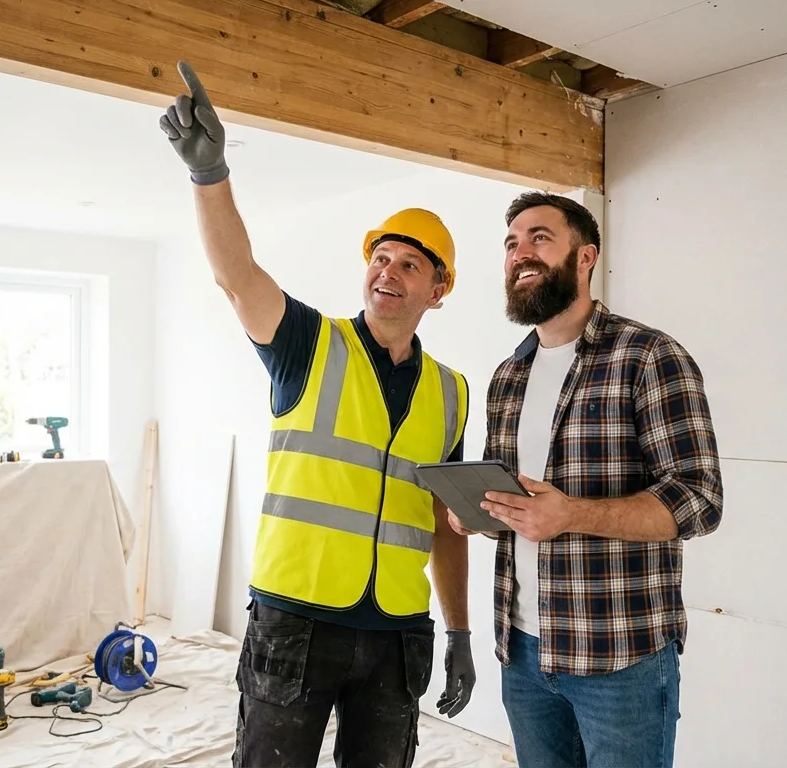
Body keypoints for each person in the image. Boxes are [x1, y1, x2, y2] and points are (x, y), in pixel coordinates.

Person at [157, 61, 477, 768]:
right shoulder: (309, 344)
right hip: (294, 625)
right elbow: (238, 276)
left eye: (409, 266)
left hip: (396, 634)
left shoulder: (451, 393)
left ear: (439, 288)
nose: (387, 273)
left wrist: (457, 632)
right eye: (380, 258)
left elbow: (444, 527)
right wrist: (209, 176)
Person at [450, 191, 724, 767]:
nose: (520, 253)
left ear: (585, 257)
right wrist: (476, 511)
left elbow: (699, 499)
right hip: (521, 651)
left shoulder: (648, 356)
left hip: (619, 656)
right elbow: (516, 499)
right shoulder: (509, 376)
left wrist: (573, 514)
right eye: (511, 243)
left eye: (540, 238)